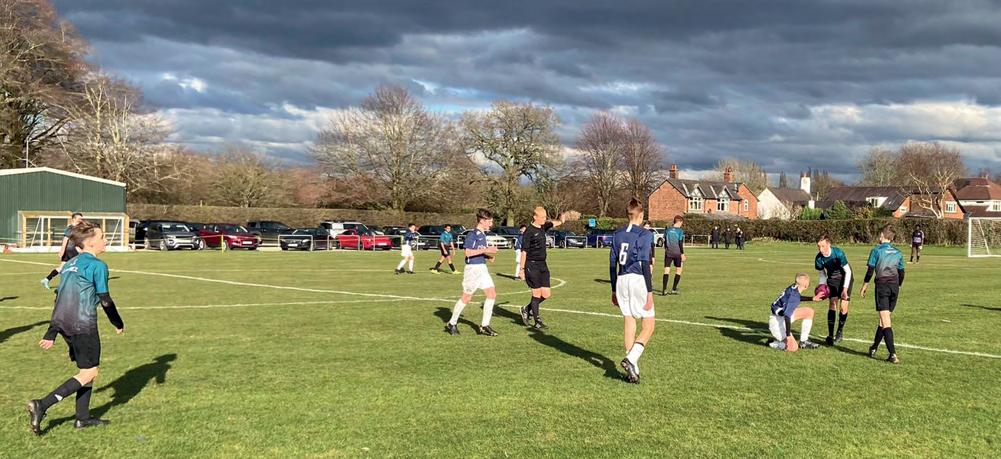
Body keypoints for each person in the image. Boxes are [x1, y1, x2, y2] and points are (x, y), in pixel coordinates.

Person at [27, 221, 125, 434]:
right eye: (102, 237)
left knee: (86, 370)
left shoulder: (70, 264)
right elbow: (105, 300)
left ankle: (82, 418)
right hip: (83, 325)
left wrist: (52, 331)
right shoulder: (98, 265)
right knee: (90, 372)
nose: (105, 240)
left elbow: (60, 298)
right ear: (90, 243)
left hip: (65, 325)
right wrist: (118, 323)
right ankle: (42, 404)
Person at [610, 198, 656, 384]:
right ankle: (631, 358)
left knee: (629, 322)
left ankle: (633, 370)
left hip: (621, 279)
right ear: (641, 214)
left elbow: (612, 263)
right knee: (649, 325)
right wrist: (650, 292)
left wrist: (613, 289)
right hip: (637, 279)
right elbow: (645, 263)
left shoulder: (617, 234)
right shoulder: (645, 234)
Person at [518, 207, 577, 329]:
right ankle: (537, 322)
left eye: (545, 217)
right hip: (531, 265)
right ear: (535, 217)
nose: (544, 220)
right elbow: (524, 252)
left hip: (543, 265)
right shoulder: (529, 232)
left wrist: (562, 220)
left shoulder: (543, 226)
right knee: (536, 294)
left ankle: (526, 309)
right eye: (542, 217)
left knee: (546, 294)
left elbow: (554, 223)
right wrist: (522, 269)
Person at [444, 209, 500, 337]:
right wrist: (487, 250)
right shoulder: (472, 234)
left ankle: (484, 325)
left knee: (492, 294)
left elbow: (478, 251)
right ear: (482, 221)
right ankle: (452, 323)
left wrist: (487, 256)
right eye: (489, 221)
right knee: (467, 297)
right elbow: (468, 253)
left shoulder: (483, 235)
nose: (491, 224)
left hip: (482, 268)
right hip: (473, 270)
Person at [860, 225, 905, 364]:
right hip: (894, 287)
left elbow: (870, 271)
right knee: (883, 320)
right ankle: (874, 347)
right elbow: (902, 272)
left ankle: (892, 354)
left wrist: (864, 286)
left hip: (882, 287)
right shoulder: (898, 253)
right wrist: (898, 286)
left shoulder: (876, 250)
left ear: (882, 235)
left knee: (885, 321)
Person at [815, 235, 854, 346]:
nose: (820, 249)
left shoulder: (838, 253)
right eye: (818, 246)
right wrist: (822, 287)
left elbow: (848, 272)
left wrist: (845, 289)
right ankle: (830, 335)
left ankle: (840, 331)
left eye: (823, 246)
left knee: (843, 307)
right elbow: (822, 274)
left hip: (845, 278)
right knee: (832, 304)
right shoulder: (819, 258)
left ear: (829, 244)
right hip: (832, 279)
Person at [767, 273, 820, 351]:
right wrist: (788, 335)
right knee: (793, 348)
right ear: (806, 285)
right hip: (777, 323)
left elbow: (796, 297)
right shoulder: (793, 297)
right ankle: (772, 343)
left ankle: (804, 341)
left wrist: (812, 298)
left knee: (809, 312)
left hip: (781, 315)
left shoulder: (794, 287)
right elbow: (787, 316)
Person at [41, 212, 84, 289]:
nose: (81, 220)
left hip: (72, 250)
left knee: (62, 267)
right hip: (71, 250)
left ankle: (46, 279)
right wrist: (62, 250)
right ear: (74, 219)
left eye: (81, 218)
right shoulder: (70, 228)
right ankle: (76, 284)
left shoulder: (78, 228)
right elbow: (65, 239)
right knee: (79, 266)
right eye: (79, 218)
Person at [661, 215, 686, 296]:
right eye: (681, 223)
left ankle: (664, 290)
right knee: (679, 270)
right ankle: (674, 289)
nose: (681, 224)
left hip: (668, 252)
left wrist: (666, 248)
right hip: (677, 252)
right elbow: (680, 243)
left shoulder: (667, 230)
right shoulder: (680, 231)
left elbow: (665, 241)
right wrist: (682, 254)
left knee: (666, 270)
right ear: (679, 222)